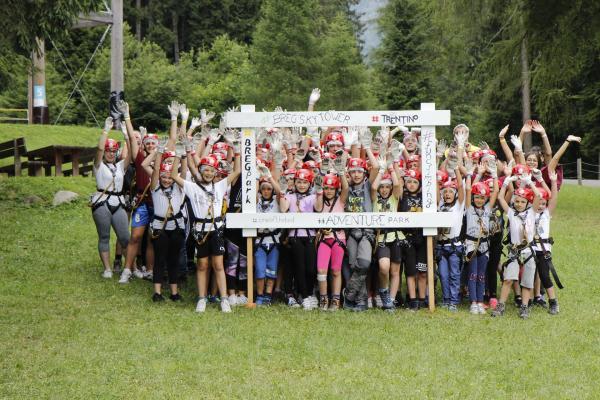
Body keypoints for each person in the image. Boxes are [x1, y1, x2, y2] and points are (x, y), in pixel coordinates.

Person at [171, 142, 241, 313]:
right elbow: (174, 175)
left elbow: (237, 171)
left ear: (216, 172)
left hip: (216, 229)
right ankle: (201, 298)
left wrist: (237, 150)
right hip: (201, 231)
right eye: (206, 170)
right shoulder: (193, 188)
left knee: (218, 264)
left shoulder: (220, 186)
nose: (209, 173)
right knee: (202, 264)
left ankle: (224, 299)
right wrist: (179, 156)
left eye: (212, 170)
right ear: (200, 171)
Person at [492, 171, 541, 319]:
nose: (519, 204)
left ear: (528, 203)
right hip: (514, 251)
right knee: (508, 279)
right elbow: (500, 197)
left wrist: (530, 182)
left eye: (522, 202)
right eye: (517, 201)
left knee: (527, 282)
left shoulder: (532, 212)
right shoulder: (511, 213)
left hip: (528, 251)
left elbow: (538, 196)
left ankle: (524, 307)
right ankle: (501, 306)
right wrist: (506, 183)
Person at [90, 117, 131, 278]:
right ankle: (107, 269)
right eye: (109, 150)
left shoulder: (120, 165)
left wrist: (126, 135)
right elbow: (99, 150)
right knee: (104, 236)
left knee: (124, 237)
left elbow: (132, 155)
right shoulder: (98, 165)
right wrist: (105, 131)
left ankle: (128, 268)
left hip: (118, 201)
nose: (111, 153)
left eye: (114, 151)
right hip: (102, 202)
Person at [146, 144, 187, 302]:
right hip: (160, 227)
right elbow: (155, 170)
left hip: (176, 226)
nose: (167, 180)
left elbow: (181, 172)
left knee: (174, 259)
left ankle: (174, 292)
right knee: (160, 259)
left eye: (170, 177)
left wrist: (179, 155)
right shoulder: (155, 187)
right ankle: (157, 292)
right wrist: (160, 152)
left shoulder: (178, 187)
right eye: (164, 177)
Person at [279, 168, 319, 310]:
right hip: (295, 236)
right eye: (299, 182)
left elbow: (318, 208)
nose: (302, 185)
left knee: (310, 268)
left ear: (310, 184)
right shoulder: (290, 196)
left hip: (310, 236)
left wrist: (319, 192)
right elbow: (283, 209)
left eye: (305, 182)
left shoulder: (313, 196)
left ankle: (308, 293)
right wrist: (282, 192)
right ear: (294, 182)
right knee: (300, 268)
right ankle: (305, 296)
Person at [464, 160, 499, 315]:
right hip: (471, 245)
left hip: (484, 246)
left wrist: (495, 175)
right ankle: (473, 302)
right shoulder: (469, 208)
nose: (479, 200)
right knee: (472, 274)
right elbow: (467, 189)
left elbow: (496, 192)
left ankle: (480, 301)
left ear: (486, 199)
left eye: (482, 198)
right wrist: (473, 175)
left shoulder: (487, 209)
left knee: (481, 275)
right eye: (477, 197)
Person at [371, 156, 403, 311]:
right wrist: (382, 170)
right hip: (381, 237)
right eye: (382, 187)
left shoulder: (394, 198)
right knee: (383, 267)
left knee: (395, 271)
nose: (384, 189)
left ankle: (390, 300)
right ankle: (384, 292)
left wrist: (391, 168)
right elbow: (373, 187)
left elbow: (397, 184)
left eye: (386, 187)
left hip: (395, 237)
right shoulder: (374, 199)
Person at [314, 171, 349, 311]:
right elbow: (317, 209)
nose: (329, 191)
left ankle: (335, 299)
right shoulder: (320, 201)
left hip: (338, 238)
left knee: (336, 271)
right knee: (321, 270)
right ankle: (323, 299)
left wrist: (341, 173)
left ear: (336, 189)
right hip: (324, 239)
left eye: (332, 188)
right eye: (326, 188)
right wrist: (318, 192)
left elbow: (346, 188)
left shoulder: (340, 201)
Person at [436, 165, 464, 312]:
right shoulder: (440, 205)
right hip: (441, 246)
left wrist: (457, 169)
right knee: (443, 274)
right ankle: (446, 299)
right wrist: (436, 178)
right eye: (445, 192)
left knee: (454, 274)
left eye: (450, 192)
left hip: (453, 246)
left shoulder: (459, 206)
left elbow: (461, 188)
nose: (447, 194)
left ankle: (454, 300)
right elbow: (435, 193)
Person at [254, 169, 282, 306]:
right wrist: (255, 178)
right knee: (260, 271)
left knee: (271, 271)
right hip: (260, 241)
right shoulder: (257, 201)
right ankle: (259, 295)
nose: (266, 191)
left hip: (274, 241)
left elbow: (279, 192)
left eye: (268, 189)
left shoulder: (276, 202)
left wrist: (270, 177)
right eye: (263, 189)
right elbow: (253, 194)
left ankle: (268, 295)